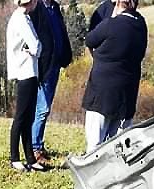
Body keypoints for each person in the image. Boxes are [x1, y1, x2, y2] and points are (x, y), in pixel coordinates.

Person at [81, 0, 147, 152]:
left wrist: (99, 56)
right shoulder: (141, 25)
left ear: (118, 4)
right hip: (127, 93)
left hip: (103, 92)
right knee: (118, 147)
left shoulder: (111, 24)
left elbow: (90, 40)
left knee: (95, 145)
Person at [29, 0, 73, 166]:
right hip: (44, 66)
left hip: (55, 64)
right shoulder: (36, 8)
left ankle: (37, 144)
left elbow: (60, 33)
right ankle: (34, 148)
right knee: (43, 108)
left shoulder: (54, 7)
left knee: (44, 108)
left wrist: (66, 56)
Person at [6, 0, 45, 173]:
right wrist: (36, 49)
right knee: (22, 117)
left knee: (28, 118)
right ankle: (14, 158)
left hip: (28, 71)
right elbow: (37, 46)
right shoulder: (21, 19)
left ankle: (30, 158)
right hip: (25, 71)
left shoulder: (23, 17)